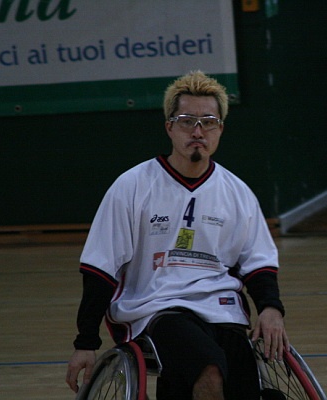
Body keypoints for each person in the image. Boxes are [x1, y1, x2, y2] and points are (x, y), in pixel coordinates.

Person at [66, 70, 288, 399]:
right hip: (156, 309)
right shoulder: (132, 186)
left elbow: (258, 262)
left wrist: (271, 308)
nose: (198, 131)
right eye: (187, 121)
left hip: (221, 309)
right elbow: (100, 267)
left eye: (208, 122)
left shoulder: (237, 192)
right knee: (208, 371)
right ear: (169, 127)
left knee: (243, 388)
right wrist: (86, 342)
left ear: (220, 129)